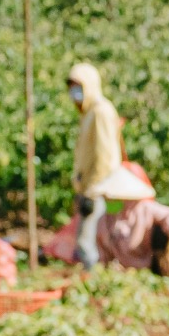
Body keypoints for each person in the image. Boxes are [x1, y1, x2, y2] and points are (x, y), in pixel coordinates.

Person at [67, 62, 127, 271]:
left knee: (90, 239)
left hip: (100, 187)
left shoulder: (101, 111)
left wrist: (92, 191)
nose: (74, 93)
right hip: (90, 186)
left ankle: (94, 279)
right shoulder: (88, 113)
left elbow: (104, 154)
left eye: (78, 87)